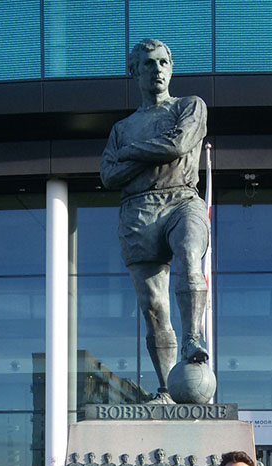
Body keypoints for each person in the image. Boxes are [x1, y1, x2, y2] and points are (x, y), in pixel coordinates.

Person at [100, 38, 210, 403]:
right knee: (153, 308)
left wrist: (131, 155)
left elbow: (178, 145)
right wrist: (141, 154)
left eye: (163, 62)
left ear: (172, 67)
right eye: (148, 63)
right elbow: (108, 175)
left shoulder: (189, 106)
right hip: (138, 211)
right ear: (134, 71)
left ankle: (193, 337)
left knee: (190, 257)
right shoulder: (122, 128)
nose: (157, 69)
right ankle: (166, 388)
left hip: (182, 199)